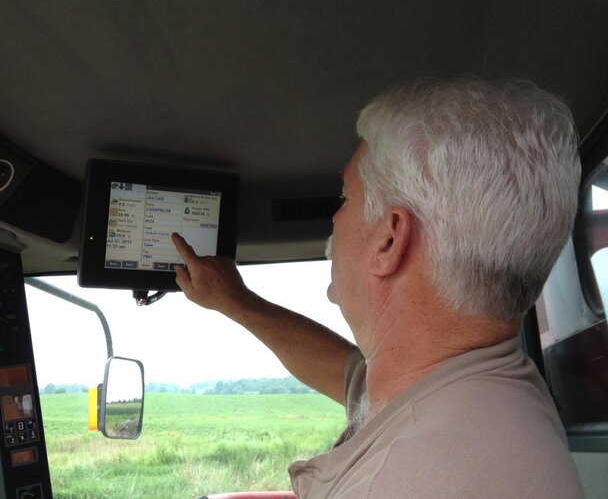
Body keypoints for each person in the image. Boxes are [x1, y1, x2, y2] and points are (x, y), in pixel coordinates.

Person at [171, 78, 585, 498]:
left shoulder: (395, 480)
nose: (334, 220)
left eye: (345, 198)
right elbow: (351, 375)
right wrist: (235, 302)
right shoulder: (491, 389)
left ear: (389, 241)